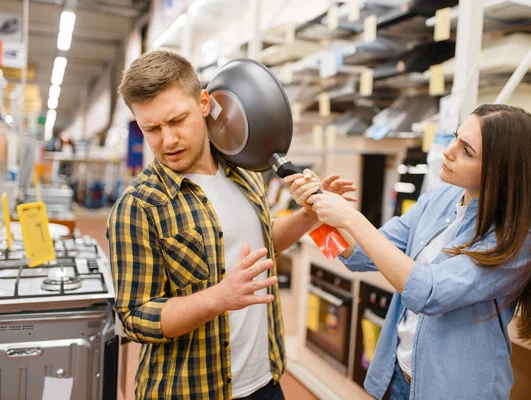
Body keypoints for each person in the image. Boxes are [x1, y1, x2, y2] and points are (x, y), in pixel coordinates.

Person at [107, 50, 356, 400]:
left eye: (177, 120)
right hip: (190, 391)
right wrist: (218, 298)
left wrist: (309, 216)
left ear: (205, 103)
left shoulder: (245, 172)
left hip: (264, 381)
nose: (168, 140)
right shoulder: (139, 207)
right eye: (152, 129)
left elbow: (262, 243)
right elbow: (135, 317)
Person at [285, 104, 531, 400]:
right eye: (456, 138)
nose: (448, 152)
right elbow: (361, 256)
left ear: (502, 171)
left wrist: (350, 217)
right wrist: (318, 210)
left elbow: (429, 293)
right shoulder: (440, 198)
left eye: (467, 151)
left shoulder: (517, 238)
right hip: (399, 376)